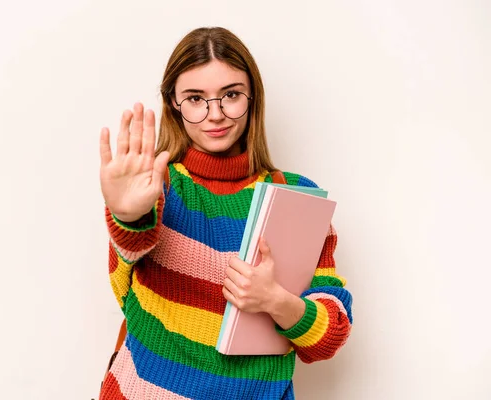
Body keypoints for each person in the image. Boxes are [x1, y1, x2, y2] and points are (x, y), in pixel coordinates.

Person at [98, 26, 353, 400]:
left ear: (253, 98)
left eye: (230, 95)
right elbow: (129, 256)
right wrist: (127, 217)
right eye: (196, 98)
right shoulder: (157, 184)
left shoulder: (297, 198)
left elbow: (329, 336)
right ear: (173, 103)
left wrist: (274, 301)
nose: (214, 114)